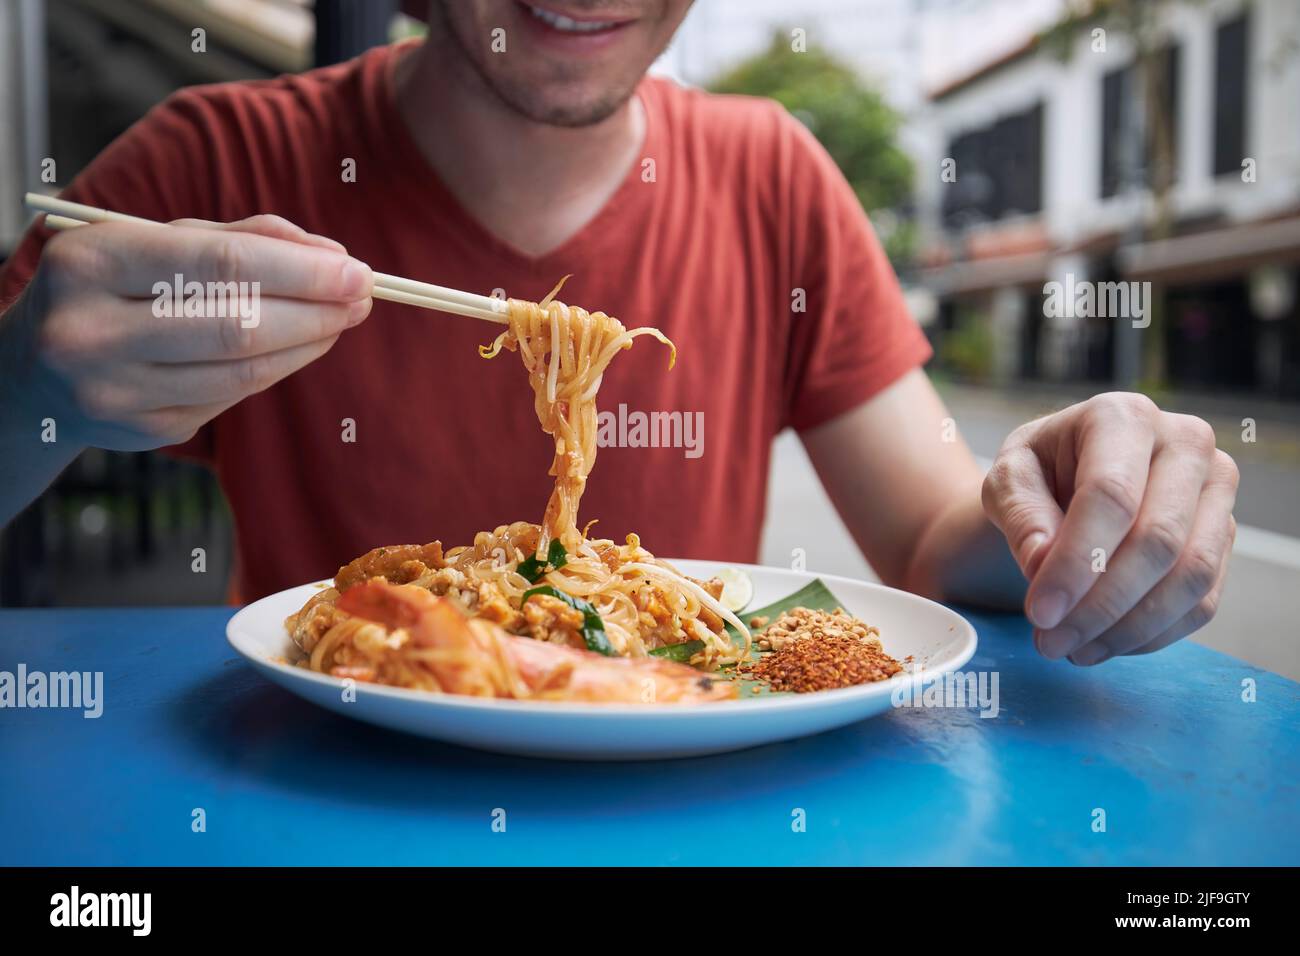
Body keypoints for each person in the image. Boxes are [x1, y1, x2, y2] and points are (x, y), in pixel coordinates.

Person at [0, 1, 1237, 667]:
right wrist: (23, 391)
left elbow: (927, 544)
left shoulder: (774, 176)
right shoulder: (212, 162)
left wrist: (1054, 501)